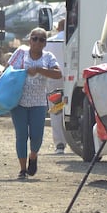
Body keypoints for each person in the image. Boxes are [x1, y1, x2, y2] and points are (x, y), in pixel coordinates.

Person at [6, 27, 62, 179]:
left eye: (41, 39)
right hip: (18, 102)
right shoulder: (20, 53)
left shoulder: (48, 57)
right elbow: (7, 71)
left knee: (37, 136)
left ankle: (33, 155)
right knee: (21, 135)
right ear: (29, 40)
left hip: (38, 103)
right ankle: (22, 169)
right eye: (34, 38)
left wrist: (39, 69)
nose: (37, 42)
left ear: (45, 43)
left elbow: (58, 74)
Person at [45, 19, 67, 154]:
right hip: (72, 79)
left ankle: (60, 144)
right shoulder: (75, 39)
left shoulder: (50, 42)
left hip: (54, 81)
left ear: (58, 28)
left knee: (56, 111)